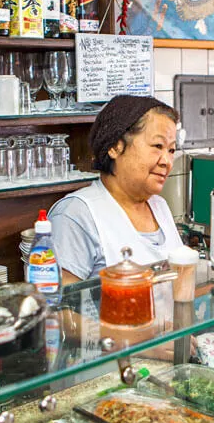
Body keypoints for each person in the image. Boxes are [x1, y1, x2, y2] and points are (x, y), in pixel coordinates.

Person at [50, 94, 183, 283]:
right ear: (114, 147)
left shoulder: (159, 206)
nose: (167, 161)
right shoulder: (75, 215)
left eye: (171, 150)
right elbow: (60, 307)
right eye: (157, 146)